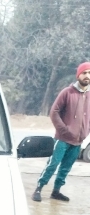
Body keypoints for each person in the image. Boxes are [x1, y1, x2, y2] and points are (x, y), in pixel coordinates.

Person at [32, 63, 90, 203]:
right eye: (84, 73)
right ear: (78, 75)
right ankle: (39, 188)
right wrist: (64, 130)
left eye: (89, 73)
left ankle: (56, 191)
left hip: (78, 141)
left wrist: (86, 132)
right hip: (62, 139)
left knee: (66, 168)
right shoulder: (67, 92)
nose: (87, 76)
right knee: (53, 164)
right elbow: (54, 112)